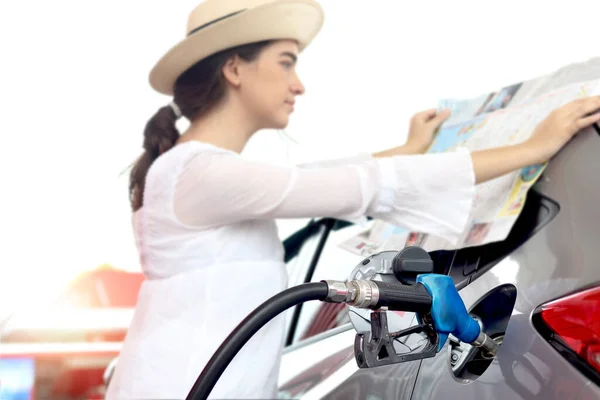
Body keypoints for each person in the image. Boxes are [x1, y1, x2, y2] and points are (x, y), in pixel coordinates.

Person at [106, 1, 600, 399]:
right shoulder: (197, 172)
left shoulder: (193, 170)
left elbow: (311, 178)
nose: (297, 84)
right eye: (285, 62)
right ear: (235, 67)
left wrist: (407, 151)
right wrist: (531, 149)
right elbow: (351, 186)